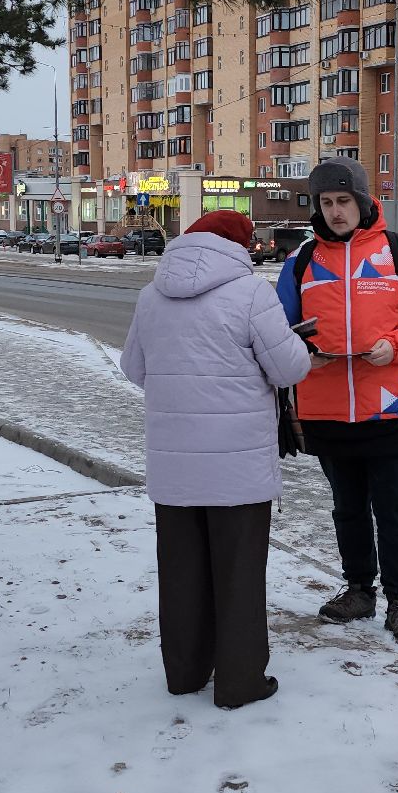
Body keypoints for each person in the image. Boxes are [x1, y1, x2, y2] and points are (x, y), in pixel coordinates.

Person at [121, 210, 312, 708]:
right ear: (240, 246)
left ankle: (184, 673)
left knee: (181, 573)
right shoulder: (252, 294)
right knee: (238, 575)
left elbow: (133, 368)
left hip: (174, 466)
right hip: (237, 467)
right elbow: (288, 368)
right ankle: (240, 682)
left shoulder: (151, 296)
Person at [275, 157, 398, 644]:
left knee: (396, 511)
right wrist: (302, 354)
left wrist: (397, 345)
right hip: (326, 408)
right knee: (347, 509)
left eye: (343, 201)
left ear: (363, 201)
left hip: (392, 405)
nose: (335, 211)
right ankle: (358, 589)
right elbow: (277, 330)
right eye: (326, 202)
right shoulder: (302, 261)